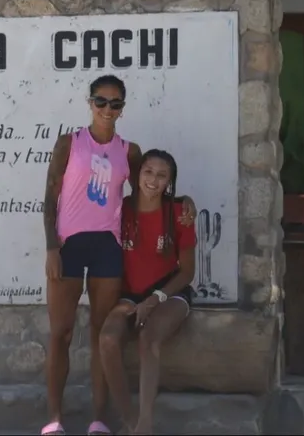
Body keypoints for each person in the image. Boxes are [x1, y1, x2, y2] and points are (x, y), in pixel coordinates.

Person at [40, 77, 193, 436]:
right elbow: (49, 198)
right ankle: (54, 418)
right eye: (101, 102)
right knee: (60, 332)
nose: (107, 109)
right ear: (89, 103)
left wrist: (186, 203)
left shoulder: (130, 152)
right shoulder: (69, 143)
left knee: (98, 332)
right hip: (69, 246)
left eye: (115, 104)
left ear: (123, 109)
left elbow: (152, 187)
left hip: (108, 247)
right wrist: (50, 247)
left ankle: (98, 419)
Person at [98, 149, 197, 435]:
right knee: (107, 339)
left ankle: (145, 425)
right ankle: (129, 420)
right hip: (130, 293)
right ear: (137, 174)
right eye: (148, 172)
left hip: (170, 292)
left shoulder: (179, 213)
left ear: (170, 182)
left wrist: (155, 300)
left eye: (162, 175)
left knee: (148, 338)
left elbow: (187, 272)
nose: (153, 180)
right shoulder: (121, 208)